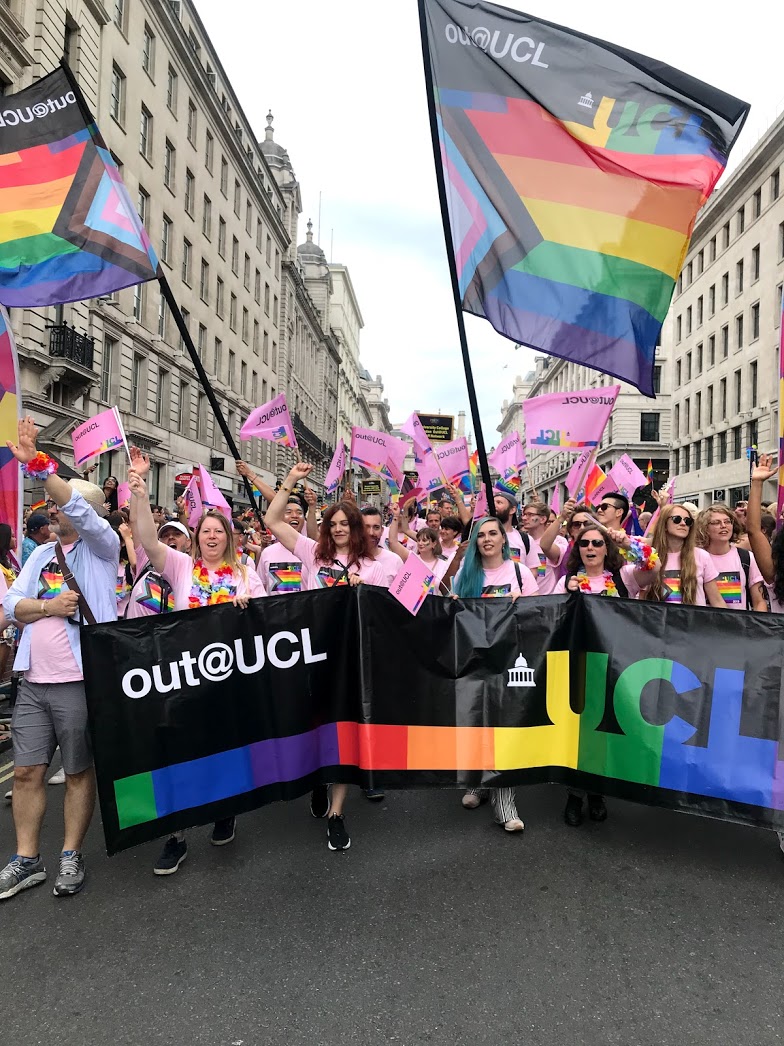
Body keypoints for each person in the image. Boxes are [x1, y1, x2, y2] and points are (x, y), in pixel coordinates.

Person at [0, 416, 119, 901]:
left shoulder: (102, 548)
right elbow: (13, 605)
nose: (52, 506)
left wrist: (41, 465)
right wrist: (46, 607)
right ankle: (27, 858)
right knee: (27, 771)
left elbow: (76, 505)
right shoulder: (39, 555)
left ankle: (71, 853)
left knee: (76, 771)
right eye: (51, 501)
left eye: (61, 502)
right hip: (32, 681)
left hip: (79, 680)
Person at [127, 463, 265, 875]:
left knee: (222, 749)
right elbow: (147, 539)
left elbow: (265, 622)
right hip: (183, 677)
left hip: (228, 680)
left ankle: (224, 811)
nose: (211, 536)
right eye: (205, 530)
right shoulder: (180, 566)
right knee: (178, 753)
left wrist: (248, 609)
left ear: (229, 537)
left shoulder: (244, 574)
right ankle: (177, 835)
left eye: (218, 531)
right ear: (197, 536)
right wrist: (137, 490)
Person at [264, 461, 385, 852]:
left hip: (352, 662)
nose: (337, 530)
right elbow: (271, 519)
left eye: (343, 524)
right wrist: (292, 481)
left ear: (355, 528)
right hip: (310, 658)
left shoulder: (374, 565)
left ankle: (336, 812)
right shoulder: (311, 553)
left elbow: (394, 608)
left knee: (344, 733)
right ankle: (316, 778)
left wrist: (363, 590)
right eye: (331, 524)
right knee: (313, 726)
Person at [554, 523, 660, 826]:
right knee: (581, 735)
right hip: (579, 668)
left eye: (597, 543)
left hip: (616, 666)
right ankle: (575, 795)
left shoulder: (624, 577)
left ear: (606, 548)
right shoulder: (567, 581)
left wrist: (626, 540)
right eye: (584, 543)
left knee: (606, 733)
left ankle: (598, 793)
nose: (590, 548)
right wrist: (566, 593)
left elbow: (653, 565)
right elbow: (539, 609)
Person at [453, 516, 538, 833]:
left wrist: (524, 605)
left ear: (504, 539)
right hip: (474, 661)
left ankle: (505, 802)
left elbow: (540, 618)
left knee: (503, 728)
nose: (487, 539)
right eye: (480, 535)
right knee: (477, 724)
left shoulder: (520, 572)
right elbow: (455, 614)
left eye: (493, 533)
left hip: (509, 662)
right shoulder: (466, 573)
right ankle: (477, 782)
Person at [642, 504, 724, 607]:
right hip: (659, 620)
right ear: (664, 524)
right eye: (677, 519)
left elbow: (717, 601)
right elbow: (642, 601)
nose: (683, 524)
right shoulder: (649, 556)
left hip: (693, 621)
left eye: (688, 521)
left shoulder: (701, 556)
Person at [696, 504, 767, 611]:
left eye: (727, 521)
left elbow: (759, 601)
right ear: (704, 528)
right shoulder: (696, 558)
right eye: (716, 523)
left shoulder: (746, 558)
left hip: (739, 625)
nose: (723, 526)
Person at [388, 508, 450, 590]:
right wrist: (395, 516)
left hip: (434, 602)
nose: (420, 543)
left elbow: (447, 590)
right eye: (419, 540)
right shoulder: (412, 558)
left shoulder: (444, 565)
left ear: (434, 543)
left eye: (424, 540)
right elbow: (393, 542)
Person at [520, 499, 569, 594]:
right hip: (524, 600)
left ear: (543, 519)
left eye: (530, 514)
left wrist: (561, 518)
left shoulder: (558, 541)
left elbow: (549, 549)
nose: (525, 518)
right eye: (524, 514)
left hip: (547, 601)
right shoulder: (519, 541)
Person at [361, 506, 403, 585]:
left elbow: (406, 595)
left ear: (382, 531)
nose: (371, 533)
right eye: (366, 527)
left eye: (376, 527)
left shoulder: (395, 561)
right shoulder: (350, 559)